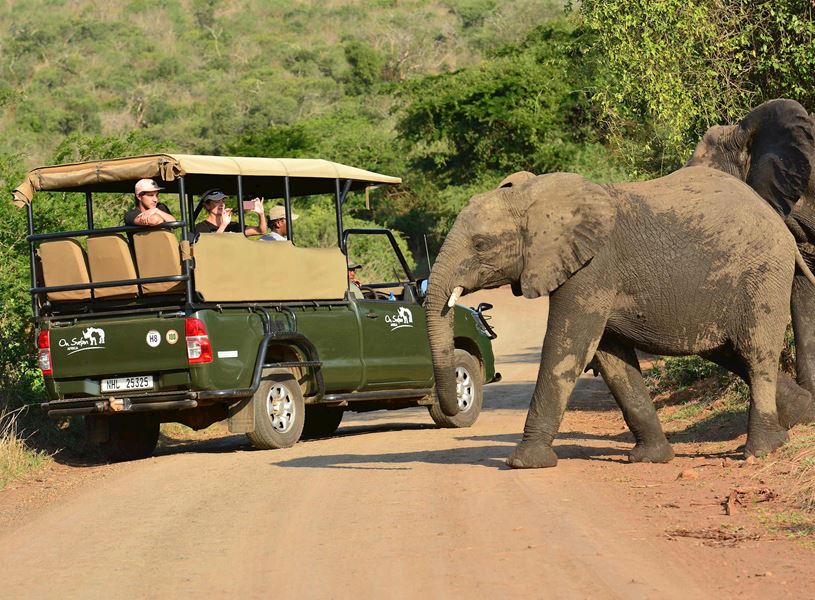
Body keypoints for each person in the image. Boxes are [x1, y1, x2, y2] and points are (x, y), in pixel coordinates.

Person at [194, 189, 267, 235]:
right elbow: (211, 247)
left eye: (223, 201)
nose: (221, 204)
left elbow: (261, 231)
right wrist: (223, 225)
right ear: (207, 205)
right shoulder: (201, 228)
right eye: (217, 201)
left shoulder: (233, 226)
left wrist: (261, 214)